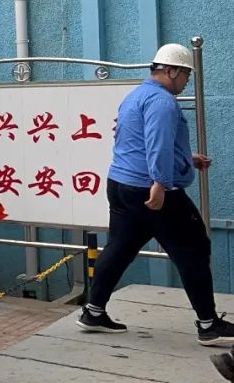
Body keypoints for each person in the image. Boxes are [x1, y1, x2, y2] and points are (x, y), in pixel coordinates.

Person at [77, 43, 234, 344]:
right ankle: (208, 324)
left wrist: (186, 159)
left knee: (120, 247)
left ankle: (93, 311)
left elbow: (136, 141)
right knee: (194, 247)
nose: (187, 81)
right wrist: (160, 182)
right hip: (150, 188)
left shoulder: (136, 95)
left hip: (121, 183)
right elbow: (157, 143)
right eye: (186, 74)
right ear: (171, 71)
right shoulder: (163, 102)